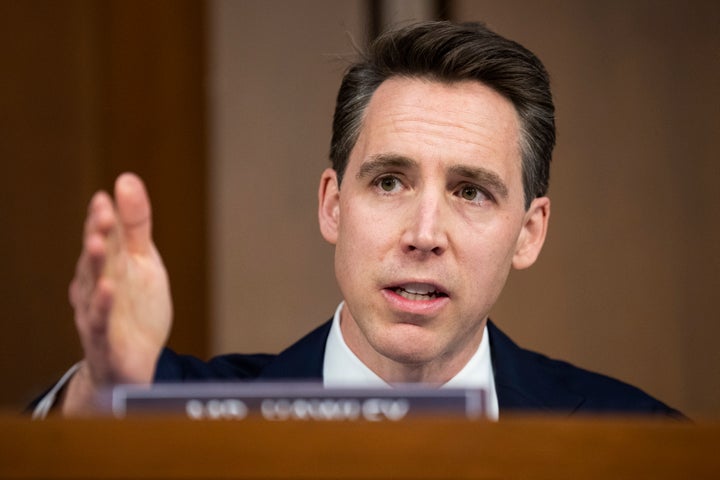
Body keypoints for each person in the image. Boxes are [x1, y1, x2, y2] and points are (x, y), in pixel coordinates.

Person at [32, 21, 681, 419]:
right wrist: (107, 390)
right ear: (333, 205)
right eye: (390, 182)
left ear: (529, 231)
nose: (424, 234)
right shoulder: (174, 407)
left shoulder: (639, 437)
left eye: (472, 192)